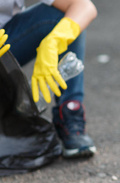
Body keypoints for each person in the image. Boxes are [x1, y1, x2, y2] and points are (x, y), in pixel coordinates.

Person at [1, 0, 97, 158]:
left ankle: (70, 113)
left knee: (63, 18)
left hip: (5, 41)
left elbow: (83, 6)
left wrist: (54, 41)